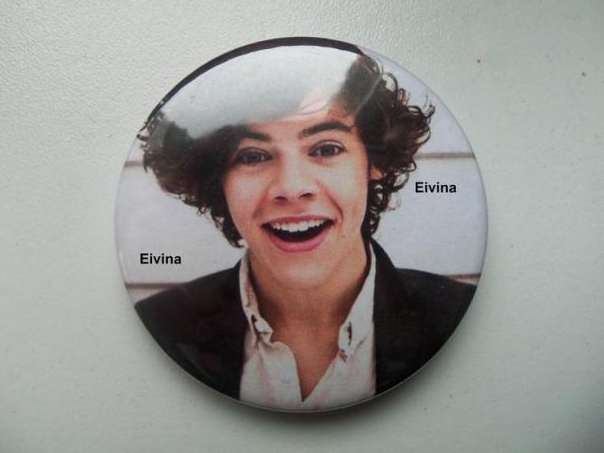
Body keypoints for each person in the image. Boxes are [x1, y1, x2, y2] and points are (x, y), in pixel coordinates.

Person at [134, 38, 475, 411]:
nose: (292, 188)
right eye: (253, 156)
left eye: (326, 149)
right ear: (217, 179)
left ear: (375, 162)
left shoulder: (457, 316)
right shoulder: (160, 323)